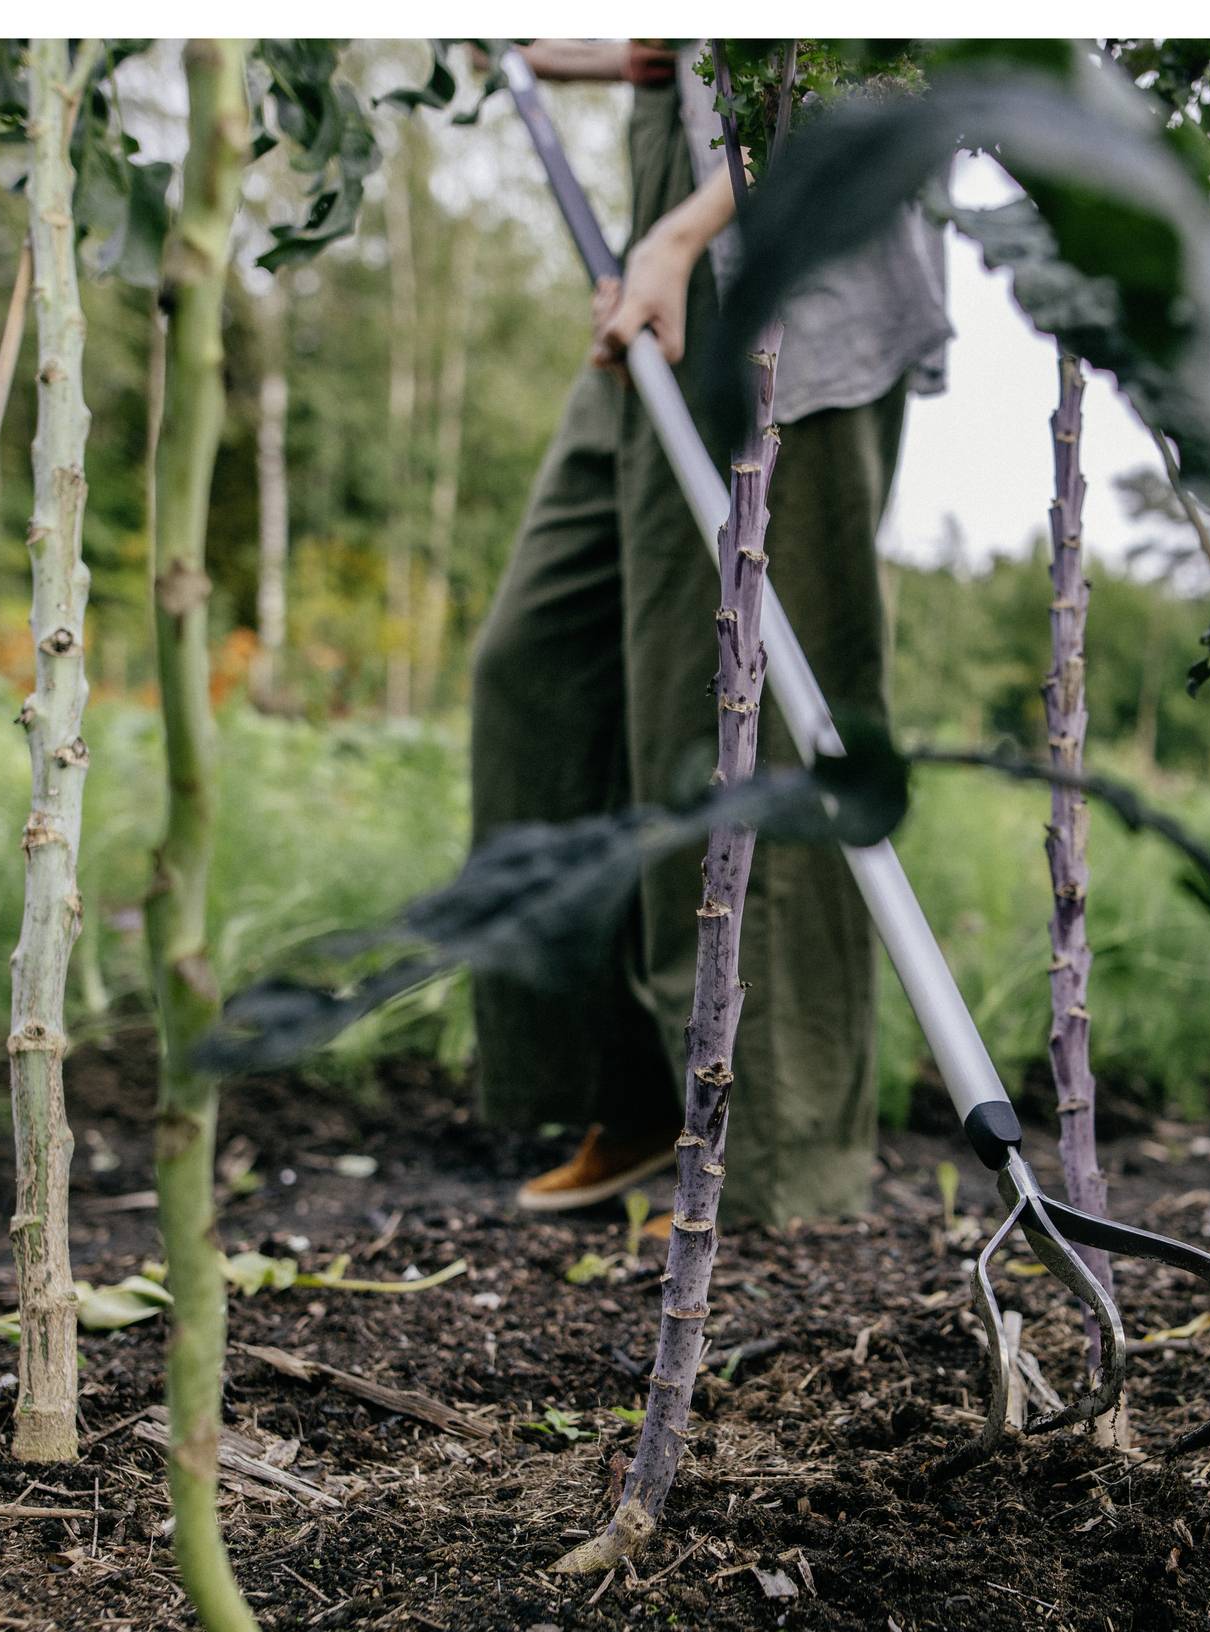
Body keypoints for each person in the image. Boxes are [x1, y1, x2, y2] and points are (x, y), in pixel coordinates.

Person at [465, 39, 952, 1227]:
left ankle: (771, 1161)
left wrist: (682, 235)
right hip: (665, 269)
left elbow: (887, 63)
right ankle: (628, 1098)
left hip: (795, 288)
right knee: (539, 667)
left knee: (754, 728)